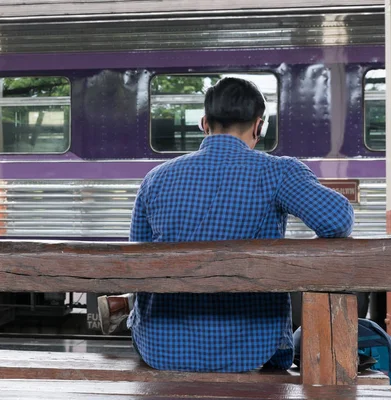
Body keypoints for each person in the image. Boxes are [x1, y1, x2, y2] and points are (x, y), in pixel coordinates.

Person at [97, 77, 354, 372]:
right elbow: (337, 221)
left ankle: (126, 307)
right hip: (252, 354)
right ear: (258, 126)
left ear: (205, 123)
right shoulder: (277, 173)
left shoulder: (157, 178)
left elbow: (137, 264)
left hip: (162, 351)